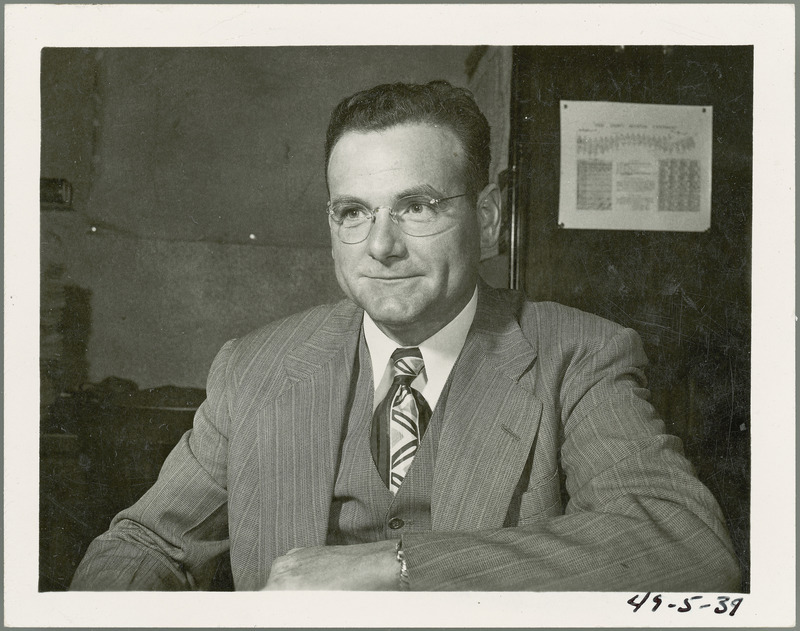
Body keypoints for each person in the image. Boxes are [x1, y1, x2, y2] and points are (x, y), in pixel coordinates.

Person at [71, 80, 740, 591]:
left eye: (416, 206)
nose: (381, 245)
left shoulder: (579, 354)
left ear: (487, 217)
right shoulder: (255, 366)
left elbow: (687, 544)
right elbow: (144, 542)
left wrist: (396, 566)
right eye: (353, 212)